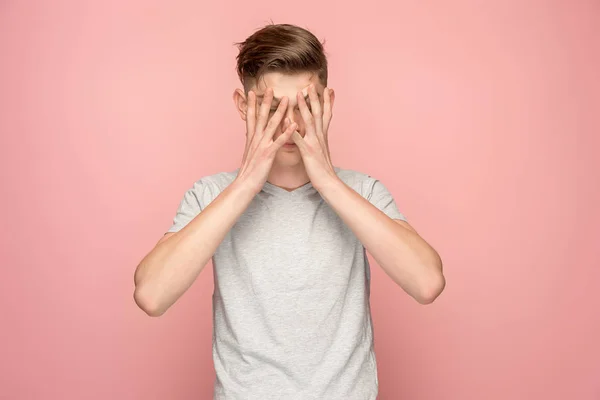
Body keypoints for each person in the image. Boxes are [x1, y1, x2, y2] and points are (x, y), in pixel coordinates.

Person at [134, 23, 445, 400]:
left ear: (327, 103)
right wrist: (247, 182)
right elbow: (151, 295)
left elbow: (427, 283)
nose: (290, 124)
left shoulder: (362, 191)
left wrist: (327, 180)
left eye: (304, 105)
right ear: (242, 106)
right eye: (273, 107)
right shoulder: (211, 195)